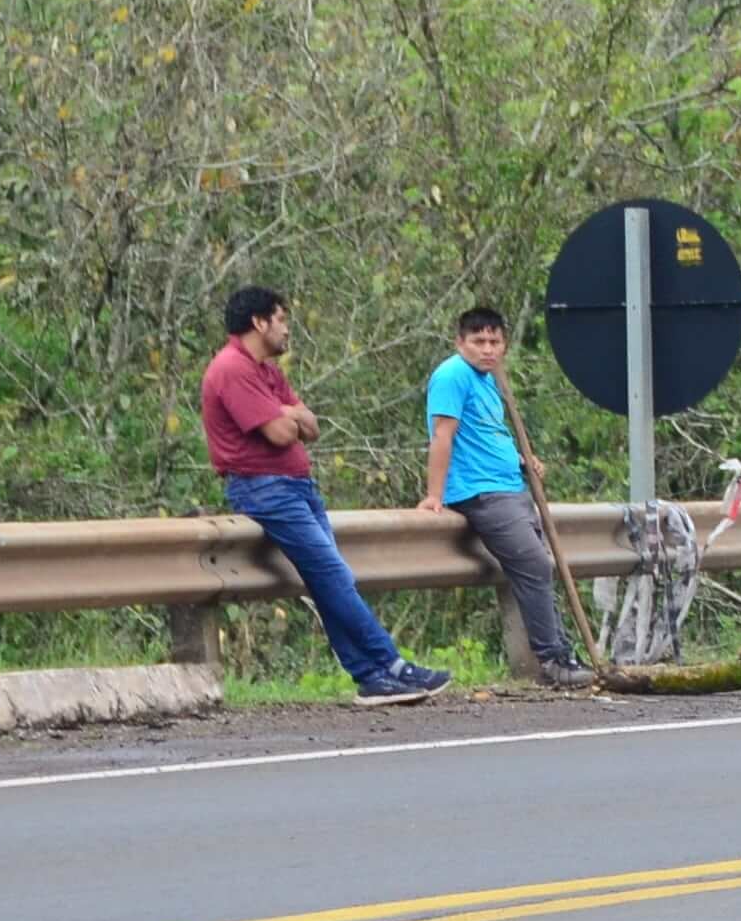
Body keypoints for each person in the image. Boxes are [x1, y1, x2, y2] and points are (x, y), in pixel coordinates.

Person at [198, 286, 450, 700]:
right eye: (281, 319)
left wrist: (289, 413)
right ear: (259, 322)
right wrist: (287, 415)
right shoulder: (231, 368)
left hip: (296, 487)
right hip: (265, 490)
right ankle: (391, 663)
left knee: (330, 581)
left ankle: (371, 679)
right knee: (333, 576)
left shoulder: (266, 370)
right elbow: (282, 434)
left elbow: (311, 427)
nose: (287, 329)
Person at [420, 308, 589, 685]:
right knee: (534, 564)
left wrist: (522, 460)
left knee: (540, 568)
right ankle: (553, 659)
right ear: (459, 342)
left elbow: (486, 433)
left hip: (510, 486)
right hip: (481, 492)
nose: (487, 349)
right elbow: (443, 436)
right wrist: (434, 495)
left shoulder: (490, 380)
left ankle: (563, 655)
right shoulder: (451, 376)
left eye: (495, 341)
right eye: (478, 341)